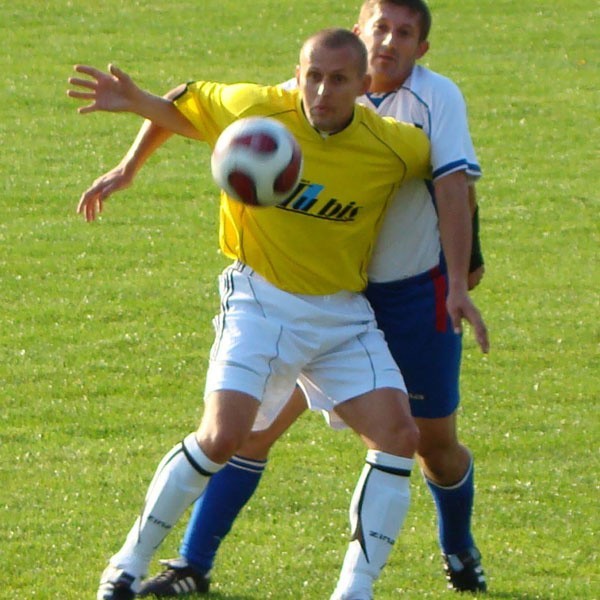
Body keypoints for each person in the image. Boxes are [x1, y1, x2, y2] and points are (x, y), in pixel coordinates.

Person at [75, 3, 489, 598]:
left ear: (364, 81)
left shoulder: (397, 142)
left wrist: (463, 271)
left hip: (348, 310)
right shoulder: (259, 113)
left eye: (339, 79)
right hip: (262, 301)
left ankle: (356, 590)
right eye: (311, 76)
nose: (320, 91)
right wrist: (129, 154)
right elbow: (184, 105)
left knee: (406, 438)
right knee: (224, 436)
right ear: (297, 73)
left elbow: (454, 185)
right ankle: (131, 563)